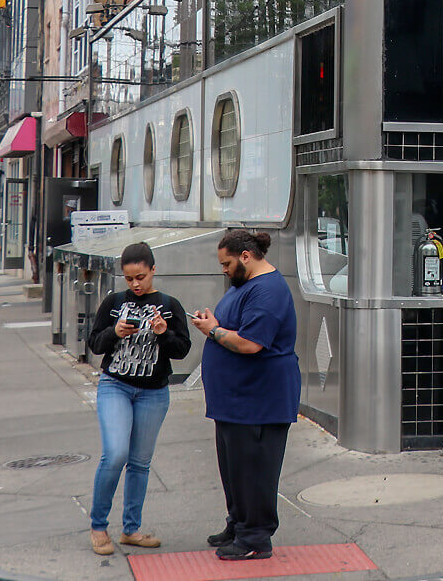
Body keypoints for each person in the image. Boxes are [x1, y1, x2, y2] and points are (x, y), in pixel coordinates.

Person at [190, 229, 301, 561]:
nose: (223, 270)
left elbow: (251, 343)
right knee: (234, 467)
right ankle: (239, 523)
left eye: (227, 264)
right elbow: (233, 328)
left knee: (254, 469)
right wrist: (214, 323)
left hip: (258, 399)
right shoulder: (246, 286)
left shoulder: (268, 292)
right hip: (236, 400)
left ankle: (255, 536)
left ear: (246, 257)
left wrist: (213, 330)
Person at [85, 242, 191, 555]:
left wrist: (162, 332)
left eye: (141, 276)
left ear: (153, 270)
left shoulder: (170, 305)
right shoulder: (114, 302)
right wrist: (115, 332)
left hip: (154, 392)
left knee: (140, 463)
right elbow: (94, 343)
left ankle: (131, 529)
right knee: (115, 454)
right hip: (115, 385)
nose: (135, 284)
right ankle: (98, 525)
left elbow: (183, 350)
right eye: (129, 278)